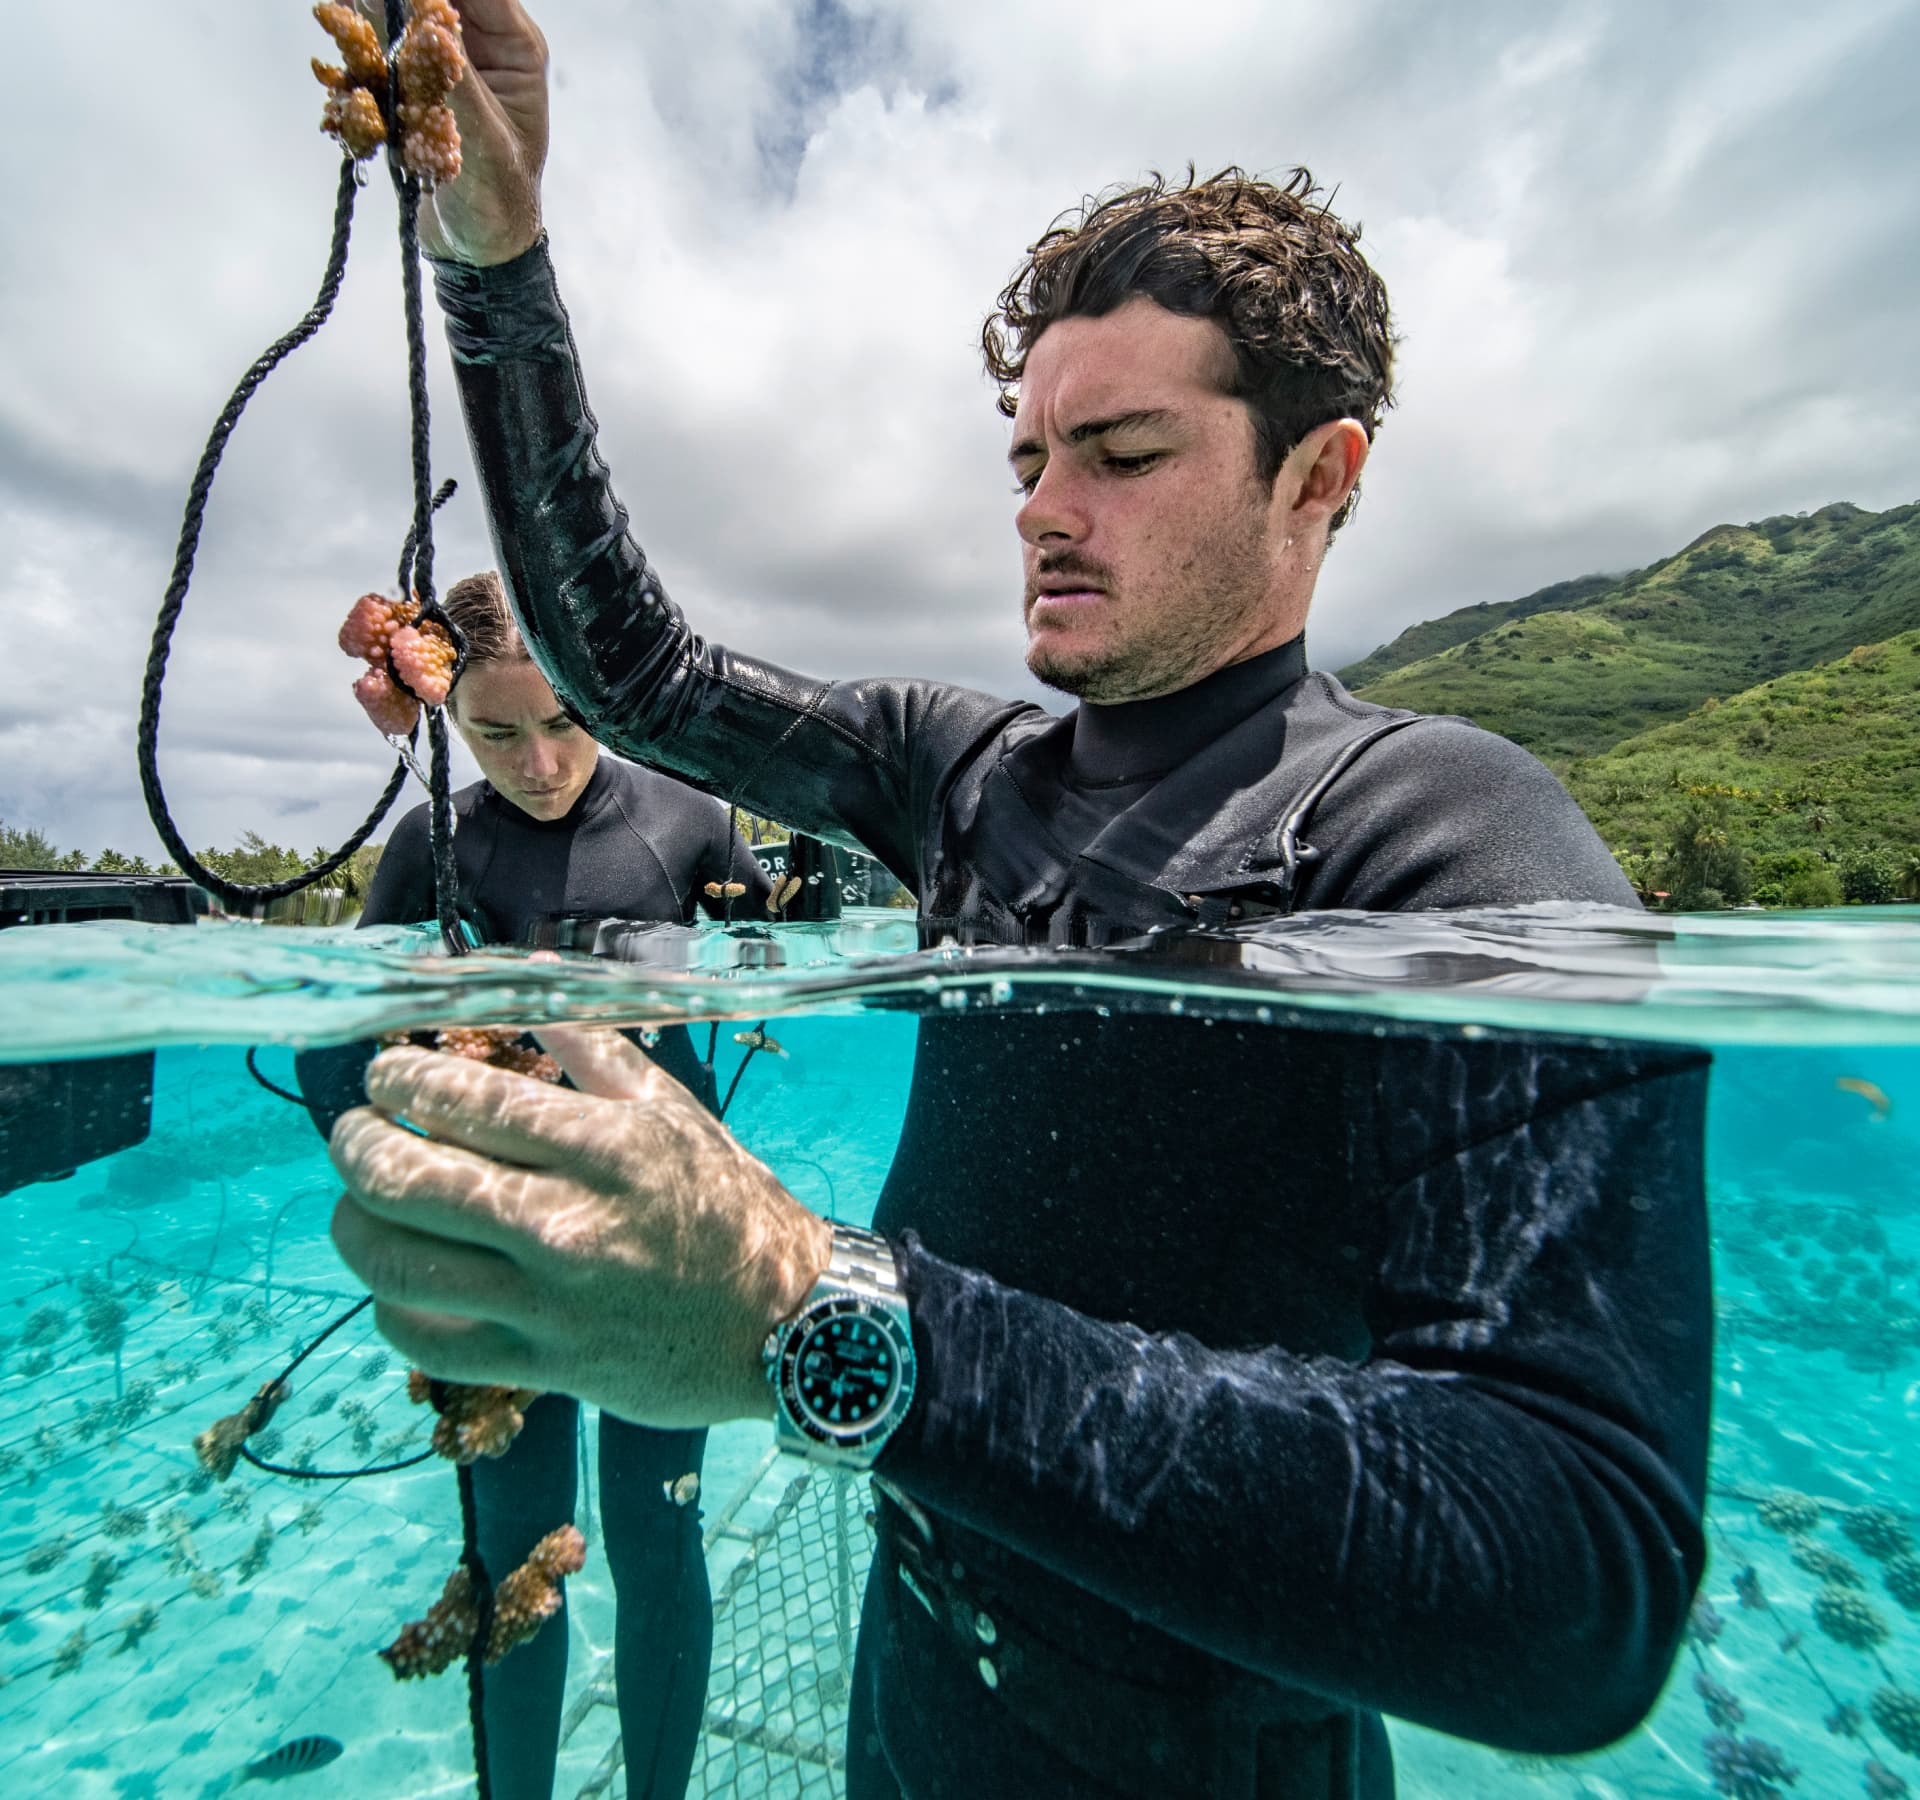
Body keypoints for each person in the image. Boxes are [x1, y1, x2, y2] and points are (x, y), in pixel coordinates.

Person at [327, 9, 1713, 1795]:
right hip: (907, 1693)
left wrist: (810, 1310)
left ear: (1321, 474)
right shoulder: (962, 770)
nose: (1044, 514)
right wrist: (495, 258)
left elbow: (1572, 1578)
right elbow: (630, 669)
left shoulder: (1443, 833)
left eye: (1123, 457)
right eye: (1026, 461)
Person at [298, 569, 771, 1800]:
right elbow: (329, 1042)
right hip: (503, 1246)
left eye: (565, 723)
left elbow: (786, 958)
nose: (540, 762)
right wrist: (403, 1186)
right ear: (447, 720)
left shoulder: (692, 823)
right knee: (512, 1557)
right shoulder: (428, 846)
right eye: (493, 733)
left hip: (668, 1234)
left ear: (602, 699)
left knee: (658, 1541)